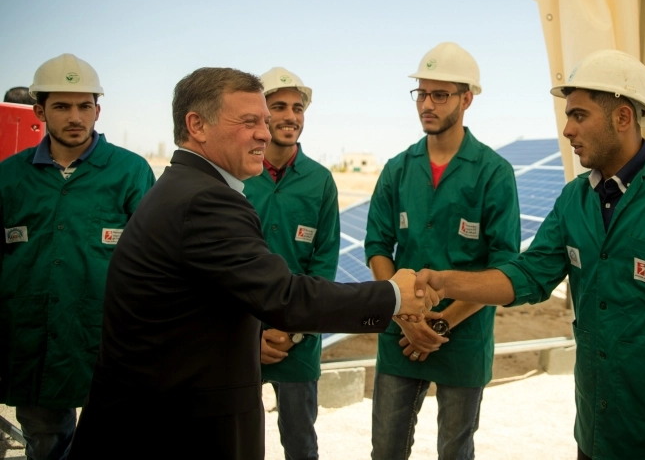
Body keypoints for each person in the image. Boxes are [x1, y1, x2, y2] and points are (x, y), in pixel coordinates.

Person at [68, 67, 439, 460]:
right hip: (173, 430)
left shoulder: (184, 187)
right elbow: (284, 297)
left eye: (264, 120)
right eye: (249, 122)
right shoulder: (206, 200)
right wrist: (393, 296)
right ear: (197, 125)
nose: (265, 132)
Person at [417, 49, 645, 460]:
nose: (567, 129)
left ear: (622, 117)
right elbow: (529, 275)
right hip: (595, 430)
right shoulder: (575, 198)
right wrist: (442, 281)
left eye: (579, 116)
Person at [366, 42, 521, 460]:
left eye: (440, 95)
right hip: (399, 337)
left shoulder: (493, 173)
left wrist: (440, 323)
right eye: (421, 93)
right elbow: (378, 245)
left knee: (455, 452)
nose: (426, 105)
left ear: (466, 99)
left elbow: (503, 266)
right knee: (385, 450)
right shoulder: (398, 169)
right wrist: (405, 317)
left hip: (464, 338)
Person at [0, 54, 155, 460]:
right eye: (62, 106)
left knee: (115, 443)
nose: (75, 117)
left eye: (85, 106)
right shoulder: (9, 177)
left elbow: (154, 265)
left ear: (97, 110)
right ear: (39, 111)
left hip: (107, 341)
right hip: (33, 342)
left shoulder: (130, 173)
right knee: (45, 445)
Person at [243, 67, 336, 460]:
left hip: (297, 345)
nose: (291, 116)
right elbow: (219, 267)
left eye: (297, 108)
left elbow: (324, 267)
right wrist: (251, 336)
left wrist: (290, 331)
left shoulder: (320, 181)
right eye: (278, 106)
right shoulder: (237, 176)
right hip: (238, 340)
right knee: (238, 442)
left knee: (300, 443)